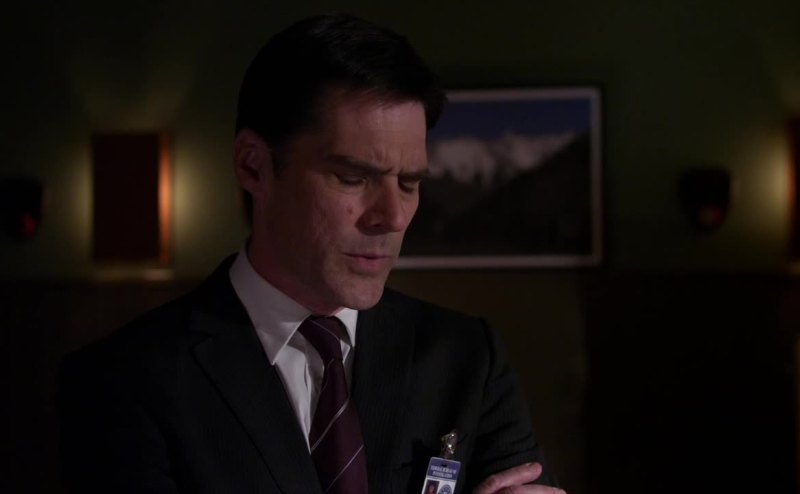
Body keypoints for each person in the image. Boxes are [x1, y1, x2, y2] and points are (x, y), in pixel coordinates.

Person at [57, 14, 565, 494]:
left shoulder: (467, 357)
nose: (392, 216)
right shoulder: (124, 382)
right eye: (353, 177)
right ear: (253, 167)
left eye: (409, 183)